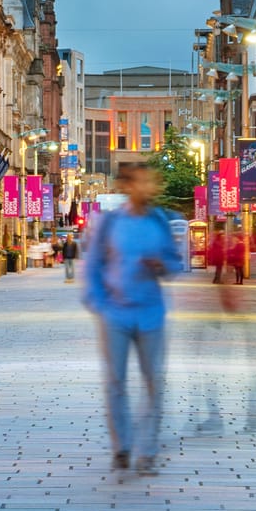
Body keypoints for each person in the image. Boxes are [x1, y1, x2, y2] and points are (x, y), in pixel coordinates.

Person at [81, 162, 188, 474]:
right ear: (127, 186)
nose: (148, 188)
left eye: (150, 182)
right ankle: (122, 447)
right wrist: (100, 302)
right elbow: (94, 265)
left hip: (151, 313)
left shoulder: (161, 221)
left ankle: (149, 451)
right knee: (116, 381)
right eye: (141, 182)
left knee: (154, 381)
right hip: (115, 313)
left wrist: (161, 266)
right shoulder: (110, 223)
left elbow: (174, 265)